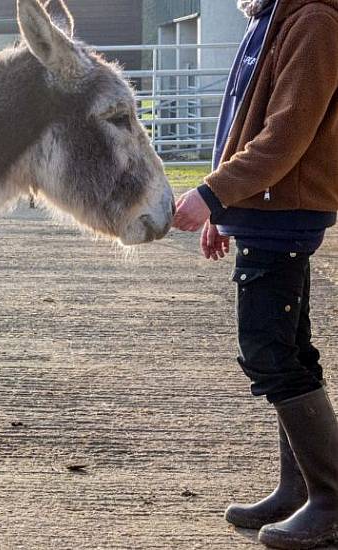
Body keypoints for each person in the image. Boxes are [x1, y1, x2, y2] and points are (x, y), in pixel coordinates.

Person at [172, 0, 338, 548]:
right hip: (266, 208)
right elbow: (240, 122)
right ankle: (301, 488)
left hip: (286, 208)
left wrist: (212, 193)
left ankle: (331, 500)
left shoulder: (312, 21)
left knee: (268, 350)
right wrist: (226, 209)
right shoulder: (270, 17)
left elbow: (287, 134)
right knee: (289, 349)